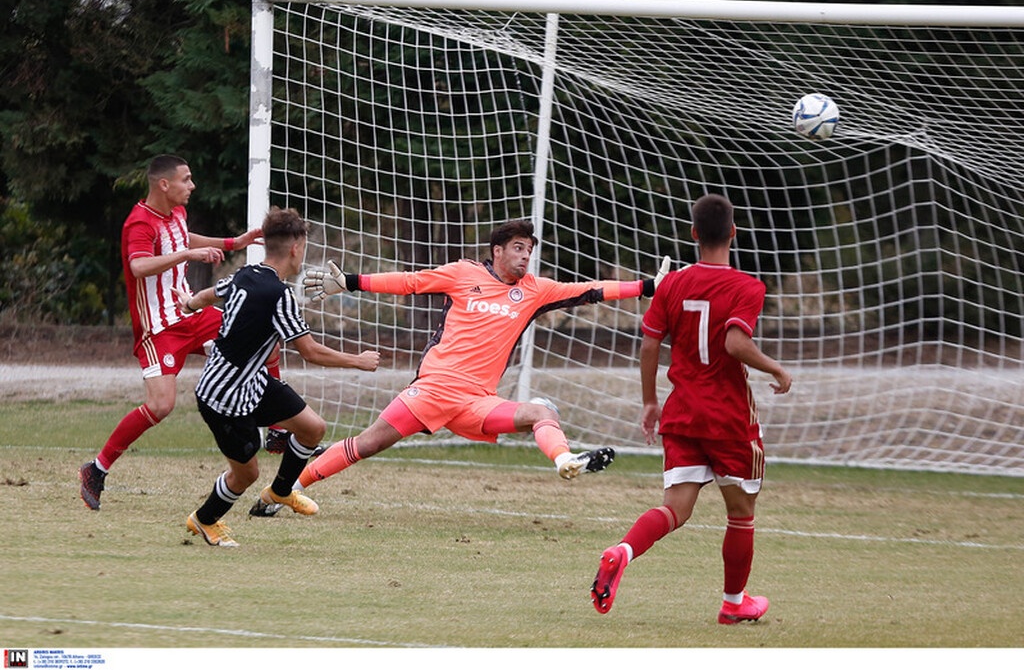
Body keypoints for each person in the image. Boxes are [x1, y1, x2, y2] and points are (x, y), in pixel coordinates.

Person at [272, 219, 670, 510]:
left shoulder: (536, 291)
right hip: (433, 389)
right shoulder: (463, 273)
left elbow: (592, 291)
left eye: (529, 250)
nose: (525, 256)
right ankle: (284, 491)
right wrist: (352, 281)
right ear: (498, 250)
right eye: (518, 248)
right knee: (368, 443)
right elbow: (410, 281)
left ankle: (566, 461)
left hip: (477, 402)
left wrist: (648, 286)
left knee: (542, 411)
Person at [590, 193, 792, 624]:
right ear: (733, 232)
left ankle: (623, 550)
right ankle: (733, 604)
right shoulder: (747, 287)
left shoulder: (673, 284)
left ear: (694, 234)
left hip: (681, 413)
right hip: (728, 418)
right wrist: (775, 367)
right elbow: (734, 342)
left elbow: (649, 344)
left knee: (675, 509)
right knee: (741, 514)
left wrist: (650, 401)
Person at [179, 206, 380, 547]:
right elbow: (310, 351)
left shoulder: (246, 274)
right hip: (223, 398)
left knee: (312, 428)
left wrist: (189, 304)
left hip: (251, 384)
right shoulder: (280, 295)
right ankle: (204, 519)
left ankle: (280, 491)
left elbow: (211, 294)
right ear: (295, 248)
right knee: (246, 474)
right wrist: (358, 361)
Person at [78, 155, 263, 510]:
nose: (192, 185)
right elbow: (139, 266)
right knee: (161, 405)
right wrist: (188, 255)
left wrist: (235, 242)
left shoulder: (176, 212)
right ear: (164, 184)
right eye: (186, 179)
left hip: (190, 311)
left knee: (255, 334)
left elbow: (181, 237)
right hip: (159, 328)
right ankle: (96, 469)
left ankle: (281, 433)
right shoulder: (139, 222)